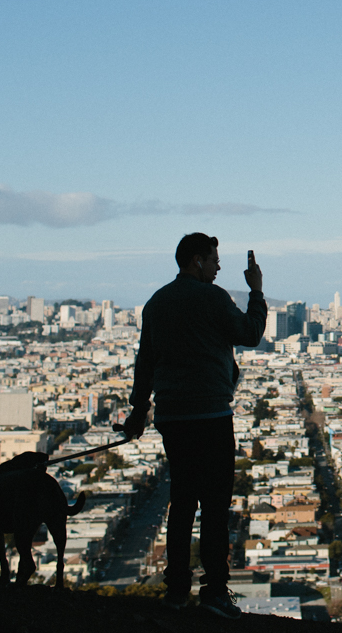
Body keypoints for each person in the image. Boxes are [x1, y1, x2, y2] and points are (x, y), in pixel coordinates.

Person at [125, 233, 267, 617]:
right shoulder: (213, 298)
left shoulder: (156, 303)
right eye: (214, 260)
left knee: (183, 501)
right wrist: (256, 291)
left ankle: (175, 591)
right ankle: (215, 592)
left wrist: (138, 412)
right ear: (196, 260)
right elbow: (251, 334)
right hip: (210, 415)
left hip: (173, 418)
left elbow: (146, 363)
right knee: (215, 505)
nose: (219, 267)